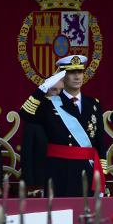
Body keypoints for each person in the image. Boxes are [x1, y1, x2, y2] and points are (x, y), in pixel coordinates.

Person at [20, 55, 107, 197]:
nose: (77, 76)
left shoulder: (93, 104)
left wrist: (102, 173)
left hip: (88, 171)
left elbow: (100, 141)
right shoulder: (50, 104)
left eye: (80, 72)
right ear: (62, 76)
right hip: (59, 171)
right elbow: (25, 114)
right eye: (71, 72)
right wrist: (44, 87)